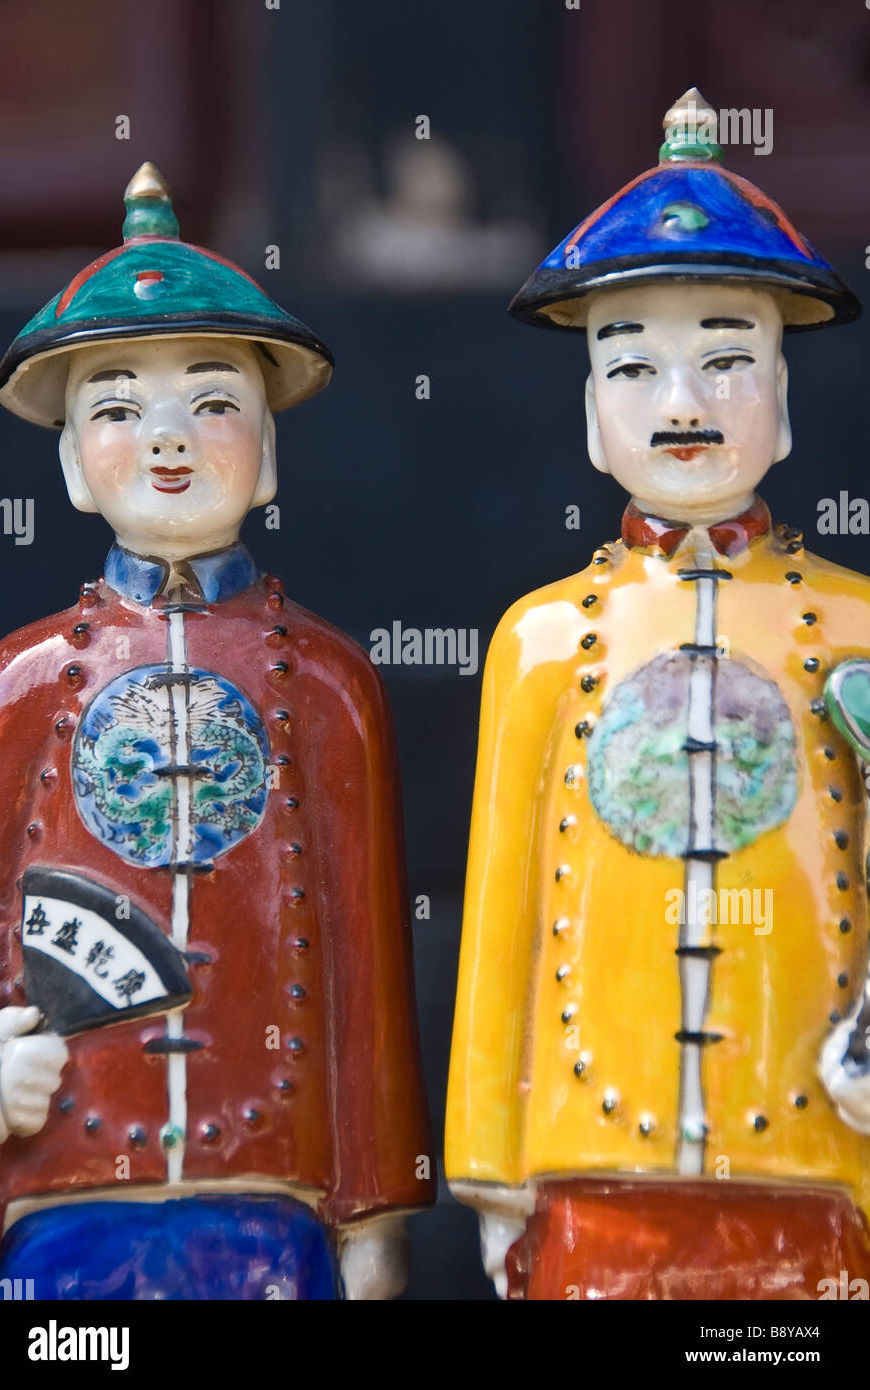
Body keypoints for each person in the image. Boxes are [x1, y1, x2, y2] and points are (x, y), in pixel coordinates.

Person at [0, 163, 434, 1299]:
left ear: (268, 451)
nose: (168, 439)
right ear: (73, 461)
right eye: (120, 407)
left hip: (270, 1197)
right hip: (65, 1187)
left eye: (214, 401)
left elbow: (367, 976)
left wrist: (374, 1219)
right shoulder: (20, 680)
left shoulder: (326, 682)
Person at [446, 89, 870, 1300]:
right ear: (591, 414)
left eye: (727, 360)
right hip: (592, 1152)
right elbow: (499, 918)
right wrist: (486, 1164)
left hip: (818, 1153)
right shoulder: (540, 640)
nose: (681, 402)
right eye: (633, 366)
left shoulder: (855, 628)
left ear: (782, 403)